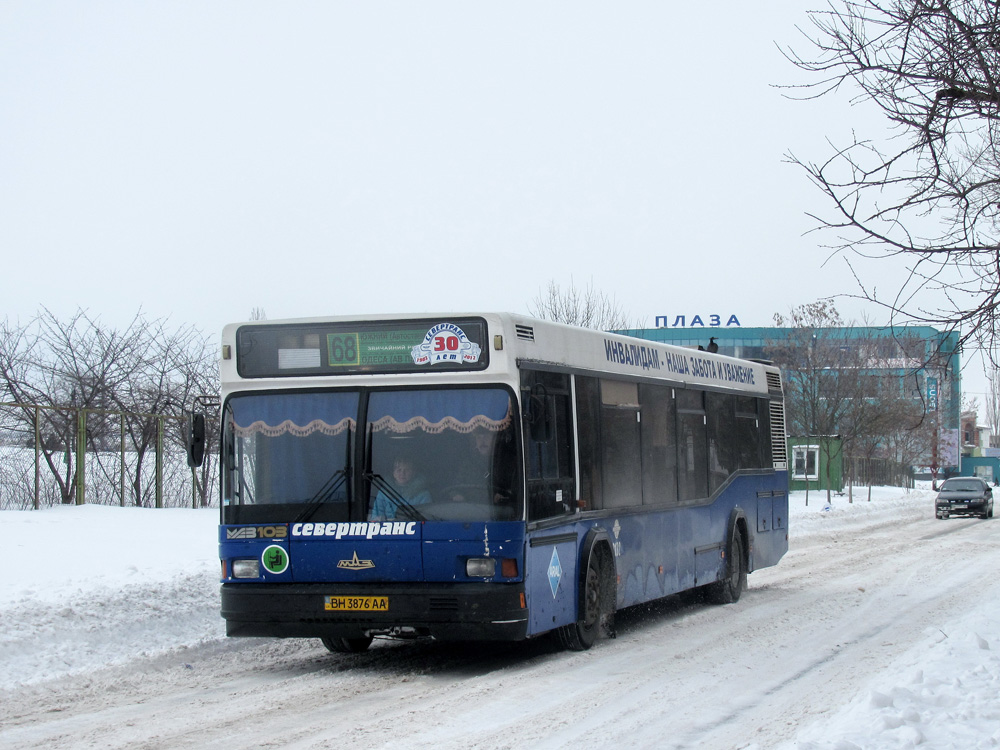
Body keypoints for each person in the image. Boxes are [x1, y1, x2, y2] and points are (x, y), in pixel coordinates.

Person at [369, 456, 431, 520]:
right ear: (393, 473)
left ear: (413, 473)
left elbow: (426, 519)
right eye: (399, 470)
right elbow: (376, 517)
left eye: (407, 470)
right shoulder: (384, 493)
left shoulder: (423, 495)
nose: (402, 473)